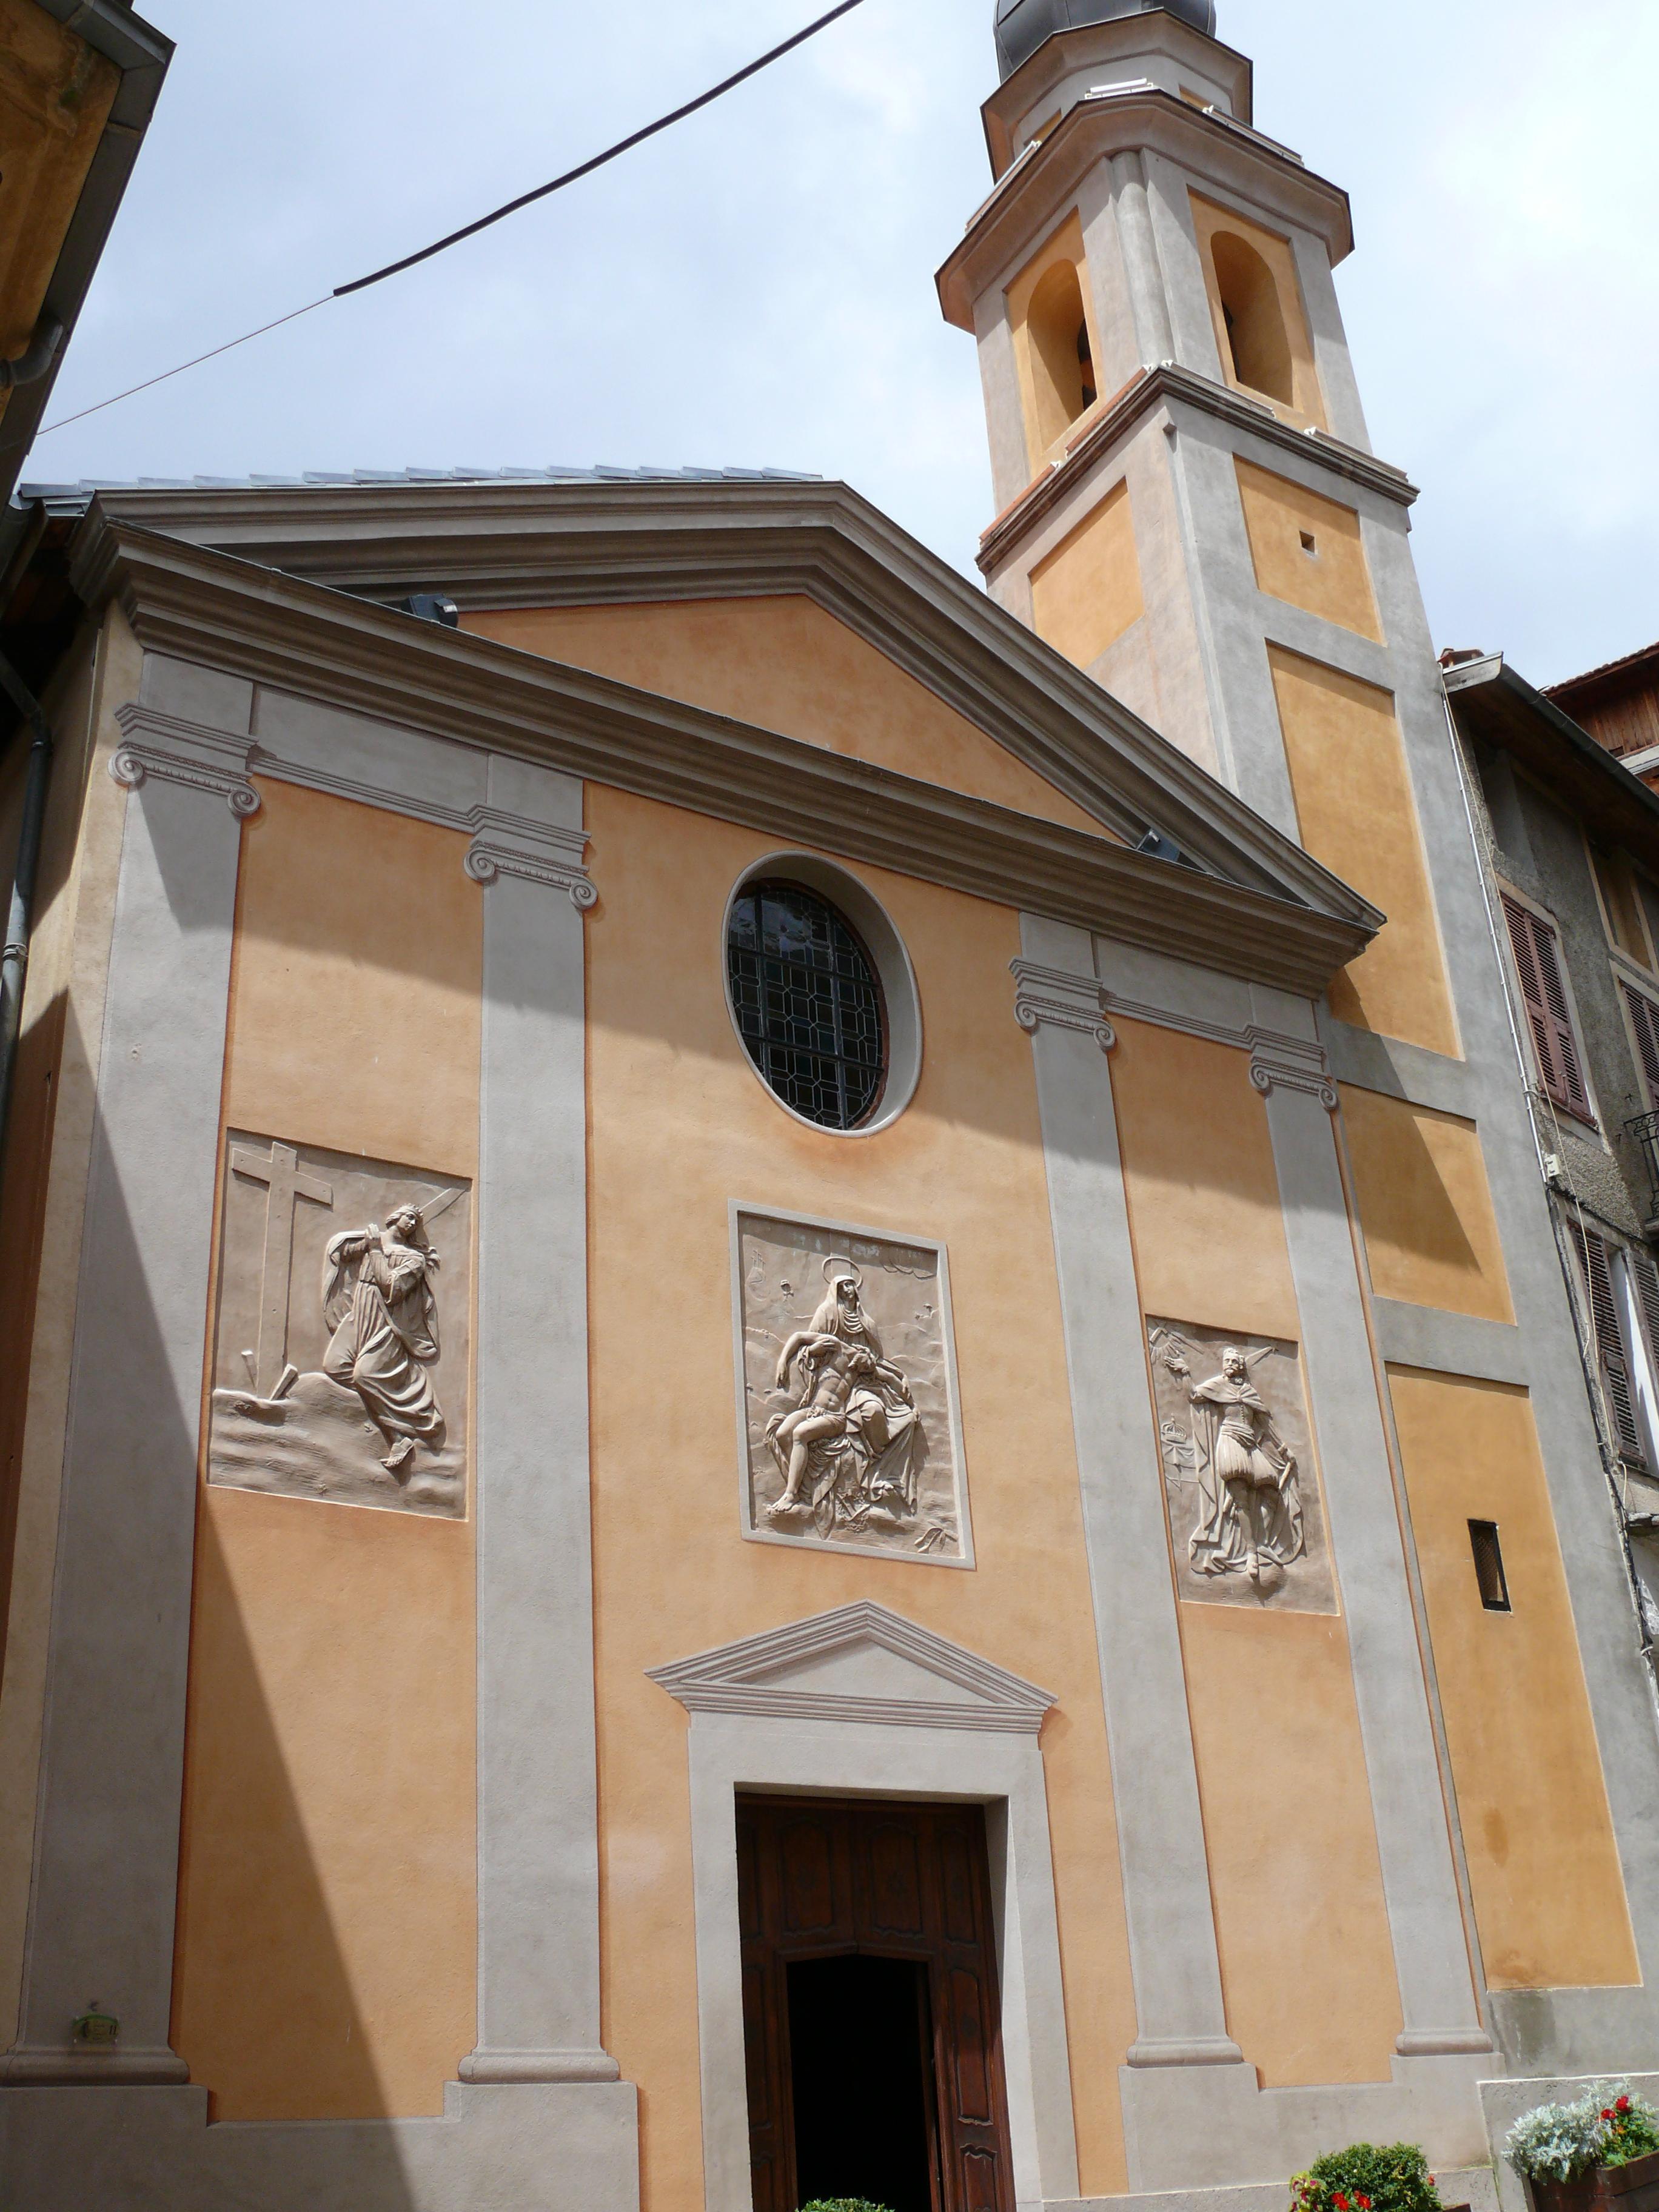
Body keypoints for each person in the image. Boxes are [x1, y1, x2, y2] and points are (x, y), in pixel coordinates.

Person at [321, 1203, 444, 1474]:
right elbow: (341, 1253)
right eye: (408, 1217)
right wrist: (359, 1243)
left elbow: (392, 1287)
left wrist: (376, 1250)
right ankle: (386, 1399)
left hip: (386, 1322)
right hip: (359, 1314)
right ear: (395, 1217)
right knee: (334, 1366)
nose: (412, 1223)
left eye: (416, 1221)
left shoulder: (415, 1259)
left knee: (364, 1375)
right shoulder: (372, 1240)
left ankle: (399, 1436)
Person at [1187, 1344, 1302, 1585]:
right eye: (1226, 1362)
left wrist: (1284, 1450)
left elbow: (1265, 1423)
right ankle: (1251, 1553)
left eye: (1233, 1362)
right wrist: (1186, 1373)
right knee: (1240, 1499)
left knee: (1271, 1493)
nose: (1229, 1366)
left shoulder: (1250, 1391)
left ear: (1240, 1366)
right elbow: (1195, 1396)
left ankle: (1261, 1543)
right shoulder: (1217, 1385)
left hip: (1251, 1445)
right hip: (1230, 1442)